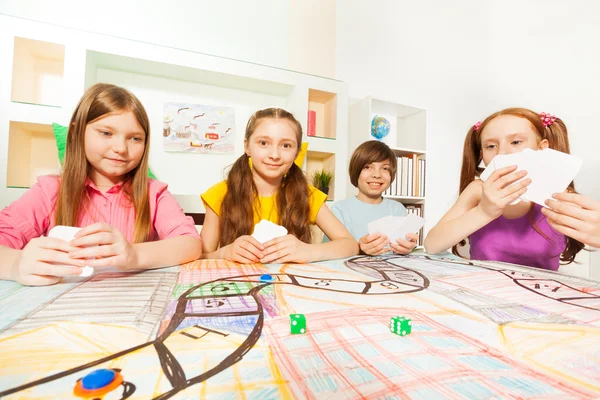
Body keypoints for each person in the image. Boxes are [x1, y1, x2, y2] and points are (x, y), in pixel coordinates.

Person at [0, 83, 202, 286]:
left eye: (135, 138)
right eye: (106, 133)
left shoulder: (154, 193)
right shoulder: (49, 190)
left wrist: (134, 255)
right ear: (77, 132)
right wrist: (16, 264)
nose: (121, 148)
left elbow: (190, 244)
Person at [424, 108, 584, 270]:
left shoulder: (561, 197)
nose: (501, 153)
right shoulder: (478, 190)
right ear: (481, 154)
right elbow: (432, 245)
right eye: (491, 146)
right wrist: (484, 212)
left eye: (515, 142)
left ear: (542, 147)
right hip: (482, 288)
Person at [201, 107, 358, 263]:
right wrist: (224, 253)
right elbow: (200, 256)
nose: (274, 155)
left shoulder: (307, 195)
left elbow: (350, 244)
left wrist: (308, 251)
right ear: (247, 146)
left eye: (286, 146)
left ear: (297, 152)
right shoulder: (220, 193)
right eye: (264, 143)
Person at [323, 140, 417, 255]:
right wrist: (359, 249)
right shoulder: (339, 210)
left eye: (385, 168)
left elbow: (402, 250)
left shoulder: (398, 209)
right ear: (356, 171)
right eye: (368, 167)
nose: (377, 175)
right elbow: (329, 251)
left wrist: (407, 248)